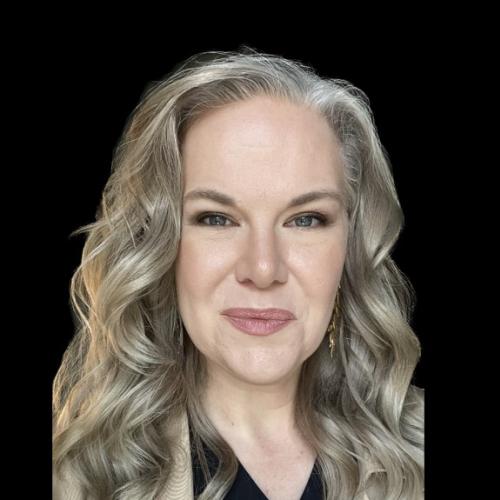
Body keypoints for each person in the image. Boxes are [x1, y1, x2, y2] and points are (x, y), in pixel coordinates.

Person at [53, 46, 424, 499]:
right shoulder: (76, 476)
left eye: (306, 220)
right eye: (216, 219)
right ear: (158, 242)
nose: (263, 269)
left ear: (352, 245)